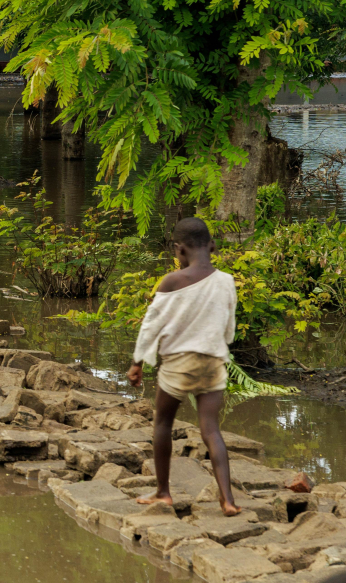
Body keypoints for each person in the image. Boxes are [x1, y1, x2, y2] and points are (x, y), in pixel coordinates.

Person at [128, 217, 241, 517]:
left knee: (163, 423)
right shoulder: (226, 281)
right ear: (213, 246)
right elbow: (229, 327)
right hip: (213, 362)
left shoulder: (172, 282)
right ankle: (228, 500)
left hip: (178, 364)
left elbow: (151, 326)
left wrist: (137, 362)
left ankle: (163, 492)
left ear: (179, 251)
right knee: (211, 429)